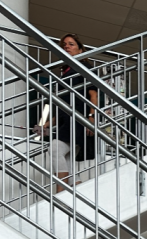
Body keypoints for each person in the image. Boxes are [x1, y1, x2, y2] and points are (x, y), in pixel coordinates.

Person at [32, 34, 99, 190]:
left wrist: (91, 117)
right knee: (66, 156)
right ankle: (75, 186)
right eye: (64, 45)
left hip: (78, 119)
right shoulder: (66, 72)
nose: (66, 47)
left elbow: (93, 94)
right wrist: (46, 124)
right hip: (67, 120)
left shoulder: (84, 67)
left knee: (55, 148)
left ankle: (60, 192)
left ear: (81, 49)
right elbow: (64, 106)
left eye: (71, 44)